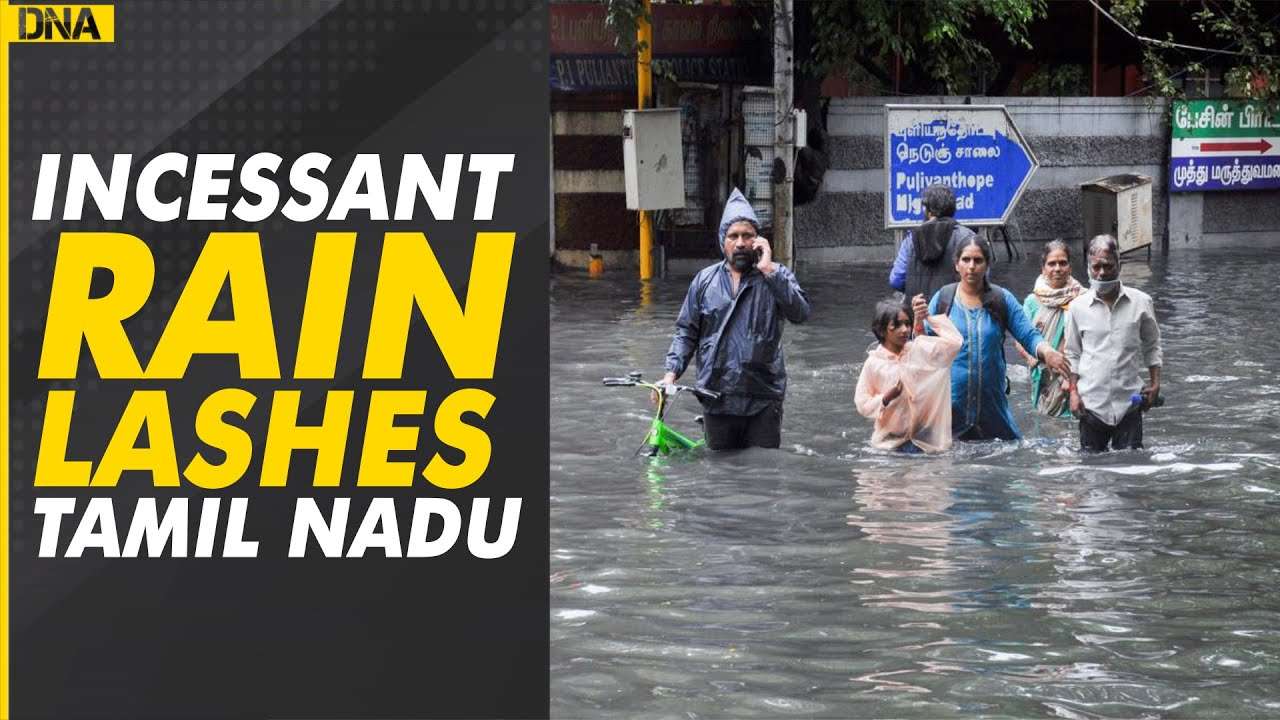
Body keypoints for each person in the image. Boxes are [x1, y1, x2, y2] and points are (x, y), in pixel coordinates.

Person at [661, 188, 810, 450]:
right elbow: (686, 332)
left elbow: (800, 313)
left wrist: (769, 271)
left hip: (763, 397)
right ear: (723, 241)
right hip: (716, 396)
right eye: (734, 236)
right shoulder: (704, 281)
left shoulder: (776, 276)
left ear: (758, 240)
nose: (740, 242)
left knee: (761, 474)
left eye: (747, 236)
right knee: (718, 476)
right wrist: (671, 373)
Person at [928, 235, 1072, 442]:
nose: (971, 266)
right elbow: (922, 346)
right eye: (966, 260)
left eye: (978, 261)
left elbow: (1028, 334)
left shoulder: (1001, 299)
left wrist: (1047, 352)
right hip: (949, 407)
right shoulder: (943, 300)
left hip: (992, 408)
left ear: (987, 264)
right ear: (956, 264)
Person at [1063, 235, 1163, 452]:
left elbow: (1152, 346)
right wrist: (1073, 392)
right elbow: (1072, 354)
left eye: (1107, 266)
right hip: (1090, 406)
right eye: (1096, 266)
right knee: (1090, 471)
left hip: (1129, 405)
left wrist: (1155, 384)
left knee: (1129, 471)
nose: (1101, 273)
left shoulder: (1141, 303)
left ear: (1119, 265)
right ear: (1088, 267)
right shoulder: (1077, 308)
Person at [855, 294, 963, 453]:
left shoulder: (918, 350)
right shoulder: (874, 363)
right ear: (882, 330)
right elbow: (862, 403)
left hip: (926, 442)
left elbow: (954, 344)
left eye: (907, 323)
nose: (905, 330)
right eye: (897, 325)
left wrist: (928, 318)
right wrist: (886, 398)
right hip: (890, 444)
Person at [1017, 240, 1085, 417]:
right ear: (1043, 268)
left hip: (1076, 378)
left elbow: (1093, 340)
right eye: (1051, 263)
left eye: (1063, 263)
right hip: (1043, 377)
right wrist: (1032, 358)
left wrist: (1070, 378)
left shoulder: (1083, 299)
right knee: (1044, 424)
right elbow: (1020, 337)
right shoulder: (1033, 302)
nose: (1057, 268)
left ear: (1070, 268)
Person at [889, 184, 978, 304]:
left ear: (928, 211)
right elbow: (979, 279)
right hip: (953, 316)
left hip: (917, 314)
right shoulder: (968, 238)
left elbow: (896, 280)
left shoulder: (911, 240)